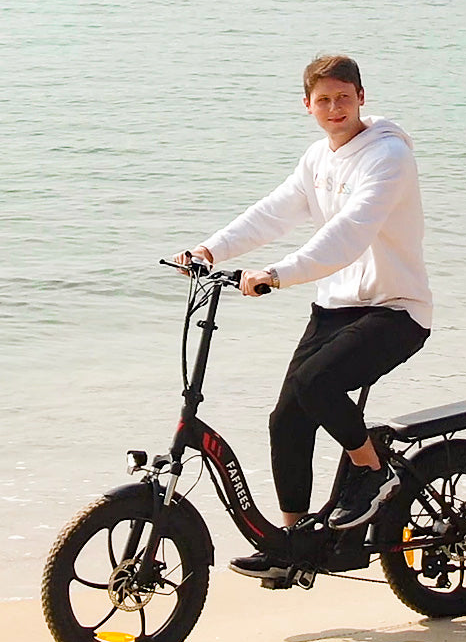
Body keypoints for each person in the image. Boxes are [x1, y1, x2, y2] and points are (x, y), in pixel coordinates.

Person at [174, 54, 432, 581]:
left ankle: (372, 470)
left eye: (344, 97)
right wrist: (210, 250)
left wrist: (278, 273)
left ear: (362, 97)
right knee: (286, 418)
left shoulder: (388, 157)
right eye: (323, 100)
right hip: (335, 307)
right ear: (307, 105)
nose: (335, 108)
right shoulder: (318, 158)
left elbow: (350, 234)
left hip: (396, 309)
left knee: (317, 383)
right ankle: (292, 542)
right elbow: (274, 212)